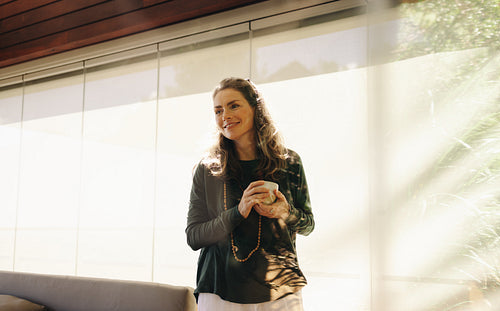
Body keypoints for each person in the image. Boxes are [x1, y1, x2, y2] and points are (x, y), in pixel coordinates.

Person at [186, 77, 314, 310]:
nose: (225, 115)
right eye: (218, 110)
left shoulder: (290, 162)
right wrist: (239, 211)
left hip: (281, 290)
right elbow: (194, 237)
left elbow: (308, 224)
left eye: (234, 105)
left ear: (256, 108)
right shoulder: (207, 169)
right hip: (219, 291)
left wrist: (285, 212)